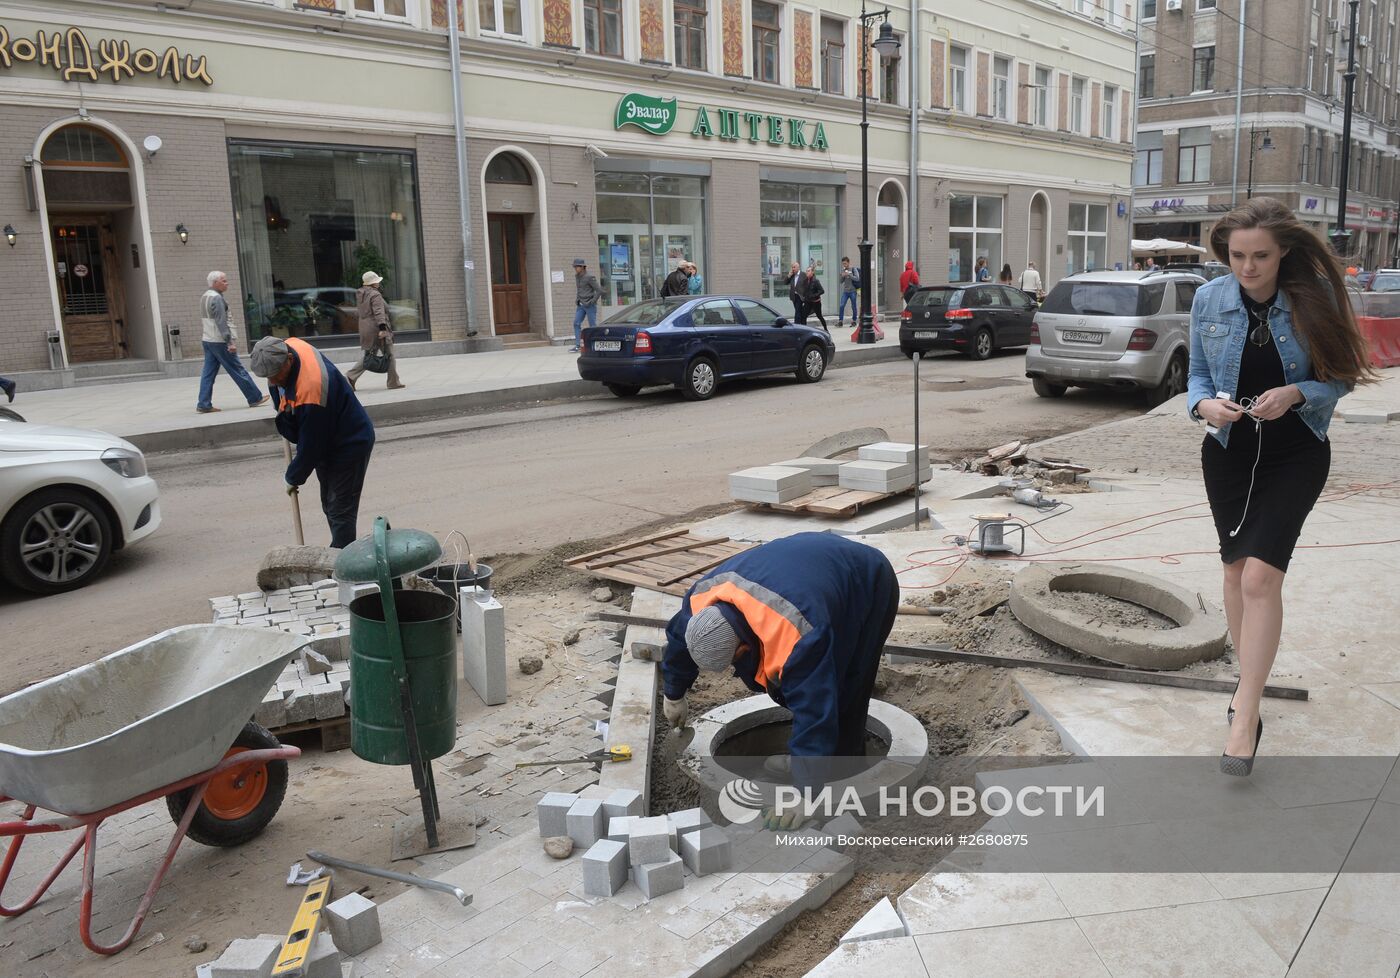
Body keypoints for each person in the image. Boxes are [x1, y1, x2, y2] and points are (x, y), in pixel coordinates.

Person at [1187, 197, 1376, 777]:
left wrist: (1297, 394)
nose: (1247, 267)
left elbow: (1341, 377)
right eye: (1237, 256)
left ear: (1284, 251)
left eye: (1260, 256)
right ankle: (1251, 687)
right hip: (1228, 454)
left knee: (1262, 577)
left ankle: (1244, 715)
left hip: (1297, 453)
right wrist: (1203, 405)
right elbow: (1196, 372)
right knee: (1233, 574)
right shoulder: (1208, 299)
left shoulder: (1312, 298)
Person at [660, 533, 900, 827]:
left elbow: (814, 709)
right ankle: (807, 761)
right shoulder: (700, 604)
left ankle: (840, 769)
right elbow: (678, 641)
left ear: (743, 647)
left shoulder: (798, 636)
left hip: (867, 583)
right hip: (809, 572)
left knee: (845, 685)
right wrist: (674, 693)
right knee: (802, 684)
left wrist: (804, 794)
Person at [250, 336, 376, 550]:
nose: (271, 382)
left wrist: (293, 476)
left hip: (349, 442)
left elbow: (312, 446)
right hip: (328, 437)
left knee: (339, 508)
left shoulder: (312, 388)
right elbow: (283, 395)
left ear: (288, 359)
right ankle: (341, 556)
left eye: (274, 375)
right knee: (330, 503)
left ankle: (343, 564)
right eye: (267, 377)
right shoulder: (290, 346)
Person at [196, 271, 269, 415]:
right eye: (223, 281)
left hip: (208, 339)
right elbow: (221, 322)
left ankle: (203, 403)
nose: (227, 283)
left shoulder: (205, 296)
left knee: (208, 373)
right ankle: (255, 397)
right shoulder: (217, 298)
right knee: (237, 369)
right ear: (215, 283)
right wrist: (229, 342)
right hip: (219, 341)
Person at [347, 271, 404, 392]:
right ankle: (393, 382)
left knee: (369, 355)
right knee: (390, 354)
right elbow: (379, 311)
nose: (379, 282)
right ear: (373, 283)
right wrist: (383, 329)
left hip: (365, 328)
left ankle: (349, 377)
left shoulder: (361, 293)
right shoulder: (375, 294)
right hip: (377, 328)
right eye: (377, 281)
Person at [572, 258, 602, 353]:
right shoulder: (577, 277)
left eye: (577, 266)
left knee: (592, 325)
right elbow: (579, 289)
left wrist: (592, 301)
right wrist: (577, 299)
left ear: (582, 267)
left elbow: (599, 290)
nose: (575, 268)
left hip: (590, 305)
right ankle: (578, 345)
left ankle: (595, 345)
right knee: (576, 323)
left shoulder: (590, 277)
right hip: (580, 305)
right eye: (575, 266)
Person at [802, 264, 828, 331]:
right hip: (808, 302)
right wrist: (804, 298)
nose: (807, 272)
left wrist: (814, 295)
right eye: (806, 271)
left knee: (819, 316)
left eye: (809, 271)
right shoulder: (805, 281)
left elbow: (822, 291)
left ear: (812, 272)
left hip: (816, 302)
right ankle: (805, 330)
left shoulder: (815, 281)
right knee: (804, 316)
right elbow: (805, 291)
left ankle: (825, 329)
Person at [837, 256, 860, 327]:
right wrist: (842, 276)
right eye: (843, 264)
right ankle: (840, 321)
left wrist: (849, 275)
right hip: (845, 291)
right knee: (841, 305)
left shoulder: (853, 269)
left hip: (853, 291)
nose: (844, 265)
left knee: (853, 306)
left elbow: (857, 278)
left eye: (845, 264)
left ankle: (854, 321)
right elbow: (840, 281)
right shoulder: (843, 270)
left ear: (848, 262)